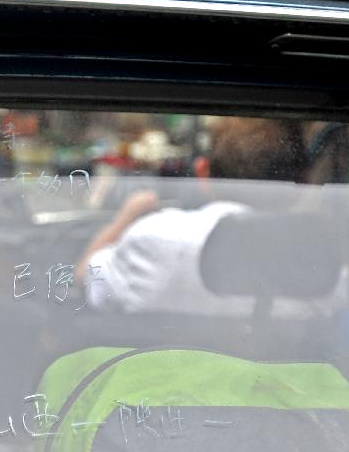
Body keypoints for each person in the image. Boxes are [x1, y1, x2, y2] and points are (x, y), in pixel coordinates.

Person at [76, 117, 311, 315]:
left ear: (203, 172)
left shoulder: (155, 238)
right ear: (303, 184)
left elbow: (85, 277)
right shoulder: (319, 264)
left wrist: (125, 219)